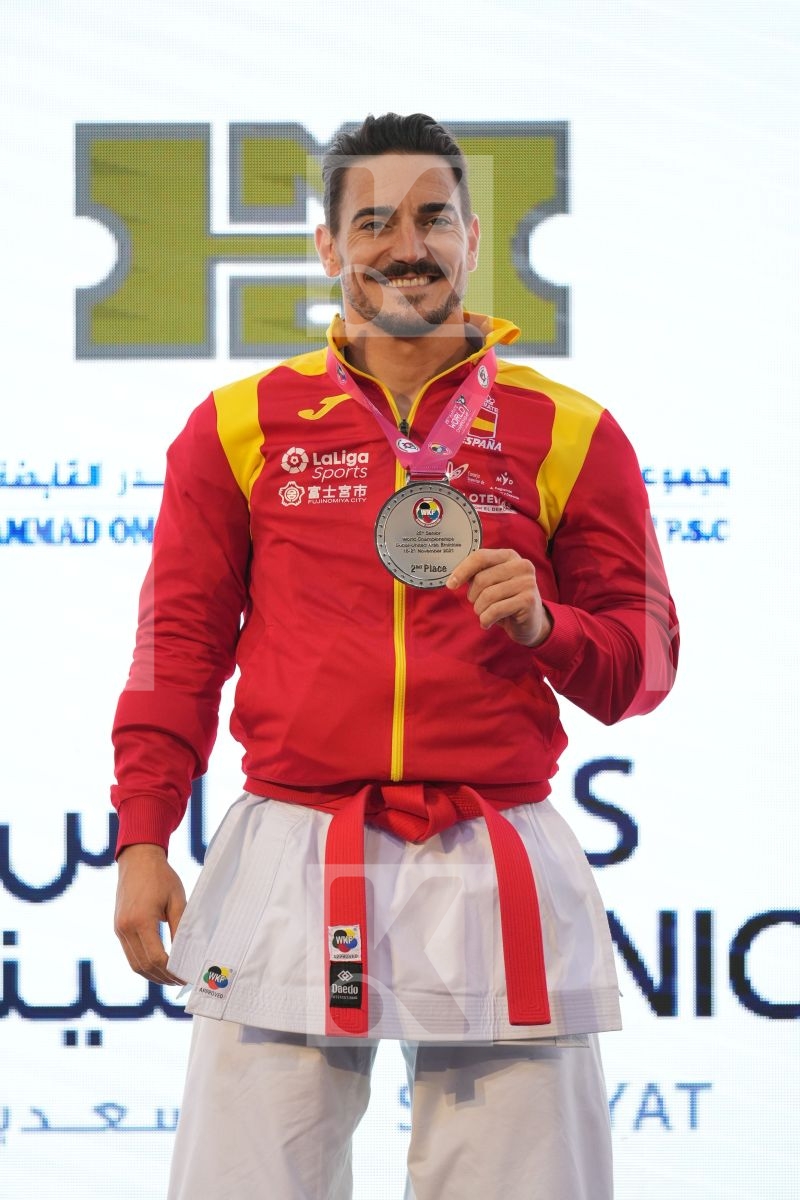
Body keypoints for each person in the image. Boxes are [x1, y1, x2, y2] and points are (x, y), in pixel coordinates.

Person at [111, 112, 678, 1200]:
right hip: (290, 843)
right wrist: (142, 837)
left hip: (491, 849)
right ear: (327, 249)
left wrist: (547, 628)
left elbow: (643, 664)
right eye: (371, 221)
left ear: (471, 235)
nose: (403, 245)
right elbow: (174, 650)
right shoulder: (240, 424)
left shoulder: (568, 431)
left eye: (431, 217)